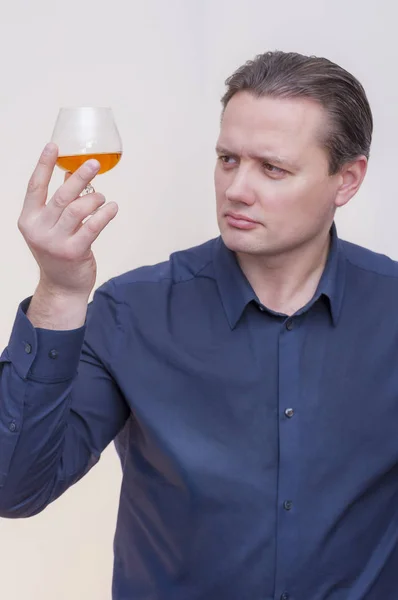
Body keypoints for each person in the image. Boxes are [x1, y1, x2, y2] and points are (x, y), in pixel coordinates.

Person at [0, 49, 395, 600]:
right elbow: (13, 486)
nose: (236, 189)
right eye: (228, 159)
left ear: (347, 180)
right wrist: (59, 293)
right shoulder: (131, 312)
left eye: (272, 168)